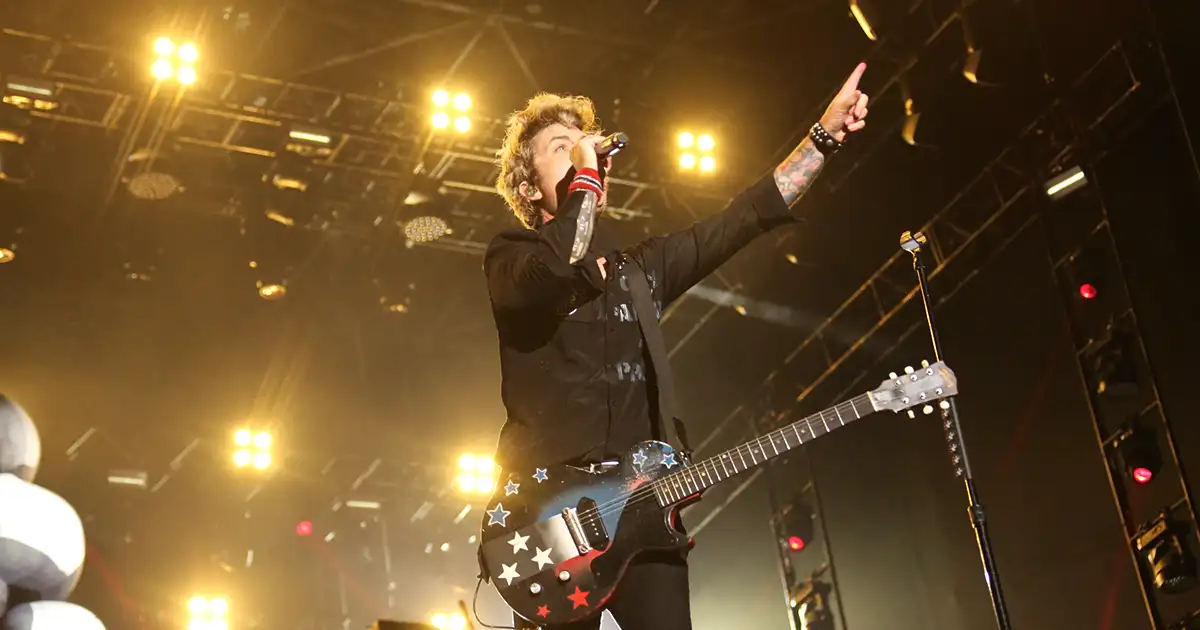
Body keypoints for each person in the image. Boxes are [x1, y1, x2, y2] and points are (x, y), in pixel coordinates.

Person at [484, 63, 871, 630]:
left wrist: (823, 138)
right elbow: (558, 262)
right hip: (549, 528)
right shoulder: (510, 260)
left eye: (584, 145)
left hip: (646, 515)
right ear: (526, 186)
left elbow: (744, 218)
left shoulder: (641, 271)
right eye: (561, 147)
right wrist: (586, 179)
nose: (582, 153)